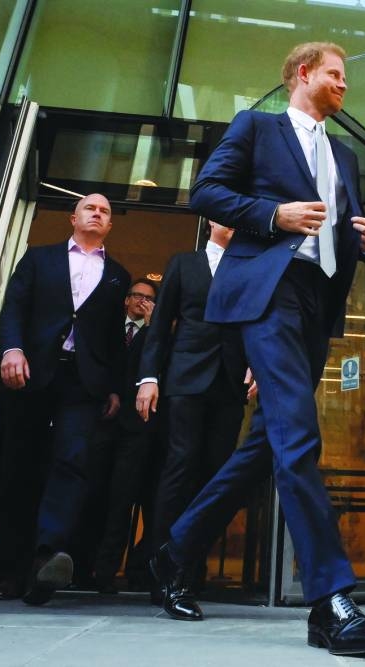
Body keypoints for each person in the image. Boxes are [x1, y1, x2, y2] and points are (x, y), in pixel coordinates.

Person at [148, 42, 365, 654]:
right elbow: (207, 191)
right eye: (334, 74)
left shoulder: (345, 155)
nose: (344, 84)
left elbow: (346, 225)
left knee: (268, 445)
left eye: (345, 77)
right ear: (303, 74)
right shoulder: (256, 129)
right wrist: (272, 214)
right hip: (268, 292)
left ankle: (174, 550)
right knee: (298, 434)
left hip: (317, 300)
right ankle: (330, 601)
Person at [0, 193, 130, 605]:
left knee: (72, 462)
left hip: (83, 383)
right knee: (20, 465)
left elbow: (113, 339)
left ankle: (46, 559)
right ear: (74, 217)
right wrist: (12, 349)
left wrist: (114, 387)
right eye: (91, 208)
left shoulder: (118, 275)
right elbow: (14, 307)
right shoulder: (39, 259)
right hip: (32, 372)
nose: (97, 214)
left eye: (105, 212)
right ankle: (7, 571)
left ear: (110, 225)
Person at [135, 221, 253, 602]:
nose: (232, 222)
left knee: (215, 474)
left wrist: (256, 364)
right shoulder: (184, 264)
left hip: (230, 383)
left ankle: (191, 567)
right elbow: (160, 326)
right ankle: (161, 570)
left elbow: (256, 324)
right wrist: (148, 377)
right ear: (211, 222)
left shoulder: (249, 267)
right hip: (185, 378)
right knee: (180, 465)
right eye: (225, 215)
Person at [80, 278, 159, 594]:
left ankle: (106, 571)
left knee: (121, 498)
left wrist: (153, 328)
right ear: (126, 299)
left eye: (149, 298)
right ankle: (81, 565)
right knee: (91, 492)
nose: (142, 301)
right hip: (102, 418)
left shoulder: (156, 333)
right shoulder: (110, 327)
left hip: (135, 427)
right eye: (137, 295)